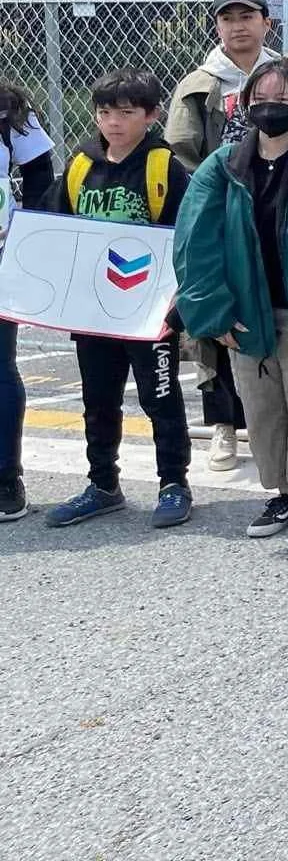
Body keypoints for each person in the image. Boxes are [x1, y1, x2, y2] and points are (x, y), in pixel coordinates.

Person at [173, 58, 288, 540]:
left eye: (284, 97)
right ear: (245, 104)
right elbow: (195, 240)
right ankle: (283, 494)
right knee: (261, 409)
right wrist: (211, 314)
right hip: (248, 310)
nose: (270, 106)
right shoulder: (225, 164)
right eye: (261, 97)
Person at [168, 0, 288, 471]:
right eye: (227, 17)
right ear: (217, 26)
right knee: (224, 339)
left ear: (267, 21)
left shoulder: (287, 73)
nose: (237, 25)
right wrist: (213, 206)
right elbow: (184, 157)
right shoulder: (201, 83)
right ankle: (225, 427)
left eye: (247, 15)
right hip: (229, 215)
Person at [35, 70, 195, 529]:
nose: (114, 122)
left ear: (152, 115)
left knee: (160, 396)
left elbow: (187, 237)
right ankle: (103, 483)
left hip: (149, 311)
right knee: (98, 399)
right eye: (105, 112)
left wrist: (178, 303)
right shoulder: (81, 165)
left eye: (127, 113)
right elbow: (53, 224)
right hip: (93, 310)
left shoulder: (163, 167)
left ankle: (174, 483)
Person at [0, 80, 56, 522]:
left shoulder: (9, 108)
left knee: (0, 366)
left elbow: (39, 173)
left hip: (1, 255)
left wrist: (27, 232)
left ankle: (5, 478)